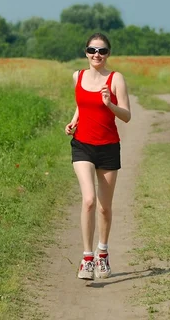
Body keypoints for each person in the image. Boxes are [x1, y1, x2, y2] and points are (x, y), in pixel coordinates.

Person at [64, 32, 131, 280]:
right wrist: (73, 122)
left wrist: (109, 104)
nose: (97, 55)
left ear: (108, 54)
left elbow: (126, 115)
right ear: (86, 52)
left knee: (104, 207)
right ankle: (87, 258)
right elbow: (81, 105)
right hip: (82, 144)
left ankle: (102, 253)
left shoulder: (116, 79)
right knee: (89, 200)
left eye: (102, 51)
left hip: (108, 146)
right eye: (92, 50)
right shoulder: (77, 76)